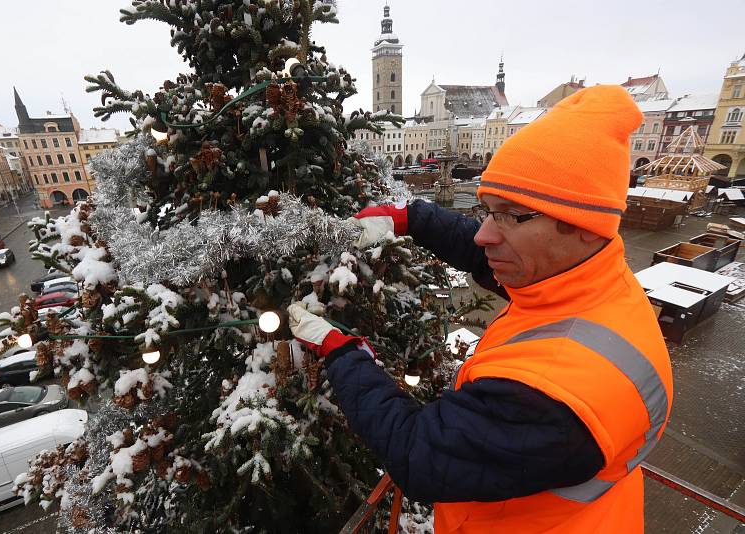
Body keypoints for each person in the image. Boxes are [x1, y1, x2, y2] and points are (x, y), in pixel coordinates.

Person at [288, 85, 674, 533]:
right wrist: (411, 218)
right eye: (488, 210)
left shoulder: (558, 391)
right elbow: (483, 257)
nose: (483, 234)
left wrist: (341, 351)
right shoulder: (591, 283)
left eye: (512, 215)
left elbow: (417, 452)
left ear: (584, 226)